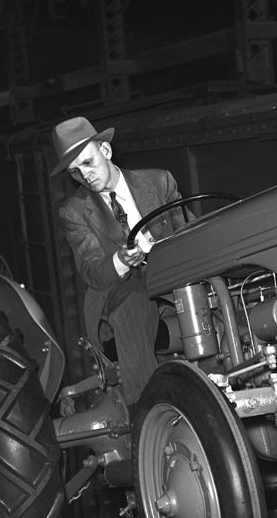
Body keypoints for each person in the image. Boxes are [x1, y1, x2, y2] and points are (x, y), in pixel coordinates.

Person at [50, 116, 184, 408]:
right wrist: (121, 259)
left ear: (106, 152)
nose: (84, 176)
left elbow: (187, 233)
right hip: (119, 294)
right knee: (133, 300)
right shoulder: (73, 212)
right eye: (75, 172)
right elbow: (93, 272)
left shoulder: (160, 182)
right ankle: (147, 409)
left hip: (173, 279)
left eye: (88, 163)